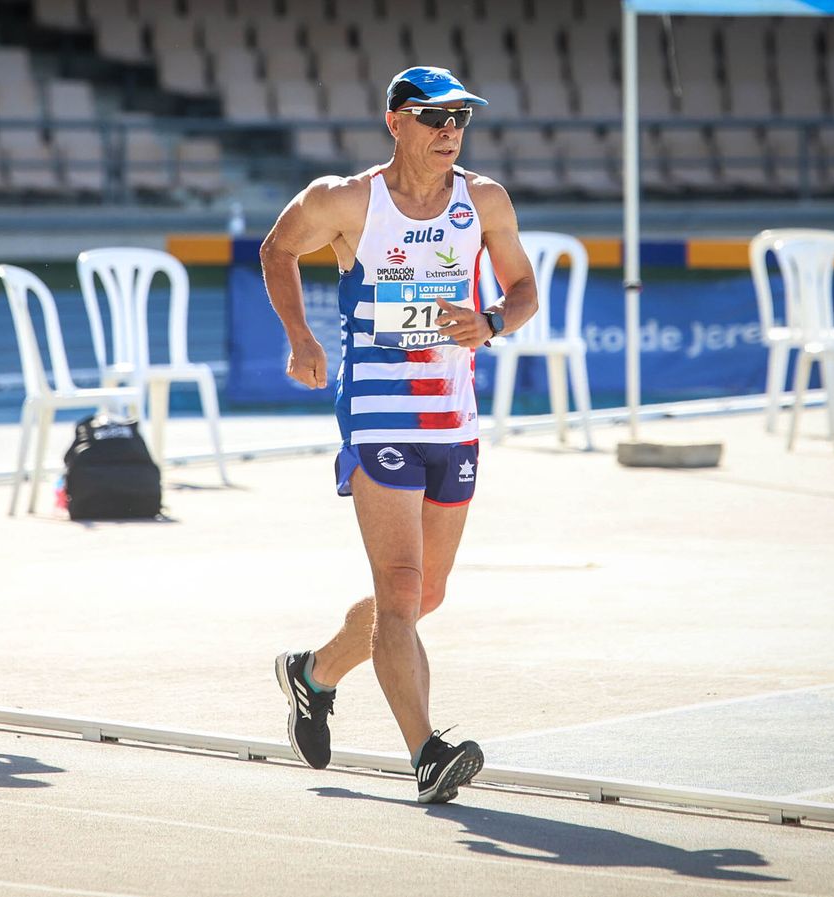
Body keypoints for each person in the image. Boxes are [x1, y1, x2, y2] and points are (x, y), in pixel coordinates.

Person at [262, 66, 538, 803]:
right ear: (396, 123)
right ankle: (427, 751)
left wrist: (493, 322)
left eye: (460, 119)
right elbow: (277, 250)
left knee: (422, 598)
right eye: (434, 116)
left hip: (454, 416)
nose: (450, 129)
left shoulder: (484, 200)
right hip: (377, 412)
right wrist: (301, 337)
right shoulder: (346, 199)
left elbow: (523, 288)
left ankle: (314, 672)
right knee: (403, 587)